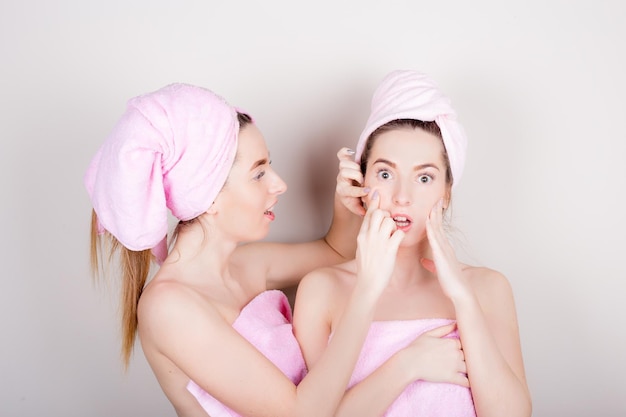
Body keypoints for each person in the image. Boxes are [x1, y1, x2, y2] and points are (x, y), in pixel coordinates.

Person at [84, 83, 404, 417]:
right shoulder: (168, 307)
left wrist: (345, 202)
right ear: (208, 197)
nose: (279, 184)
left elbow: (336, 253)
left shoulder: (246, 264)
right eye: (259, 173)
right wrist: (368, 297)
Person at [293, 70, 532, 417]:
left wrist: (463, 299)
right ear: (362, 180)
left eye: (424, 178)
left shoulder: (487, 288)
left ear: (447, 193)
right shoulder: (322, 290)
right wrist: (407, 365)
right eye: (386, 174)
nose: (402, 197)